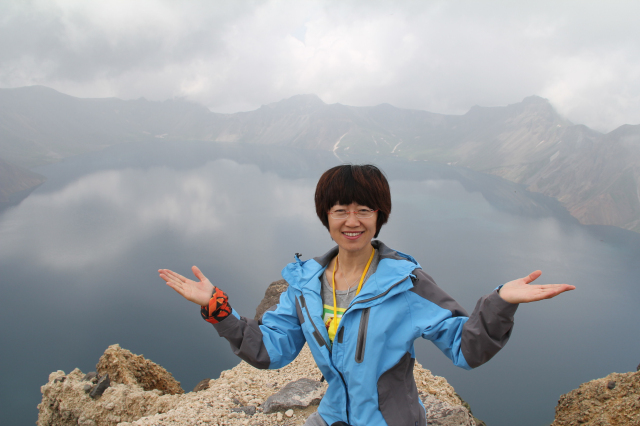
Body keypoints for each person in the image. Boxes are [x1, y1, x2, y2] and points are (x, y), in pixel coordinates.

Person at [159, 164, 575, 426]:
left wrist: (501, 302)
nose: (352, 221)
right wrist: (218, 310)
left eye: (364, 210)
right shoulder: (305, 285)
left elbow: (466, 348)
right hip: (333, 415)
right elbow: (272, 350)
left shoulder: (406, 283)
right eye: (340, 210)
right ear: (326, 217)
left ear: (380, 216)